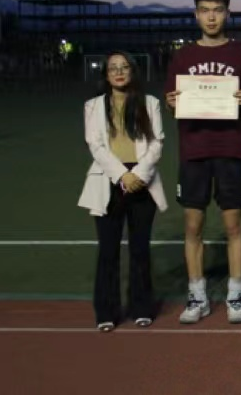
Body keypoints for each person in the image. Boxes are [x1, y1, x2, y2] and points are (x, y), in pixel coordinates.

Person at [164, 0, 241, 324]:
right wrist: (171, 103)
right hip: (195, 147)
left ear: (227, 13)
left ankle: (236, 294)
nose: (212, 16)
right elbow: (172, 102)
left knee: (234, 224)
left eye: (217, 10)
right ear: (196, 15)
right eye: (205, 10)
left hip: (231, 146)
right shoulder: (182, 56)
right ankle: (197, 296)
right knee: (193, 225)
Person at [79, 52, 167, 331]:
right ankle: (106, 312)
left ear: (132, 71)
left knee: (140, 249)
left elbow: (157, 142)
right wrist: (121, 175)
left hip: (142, 180)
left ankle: (142, 307)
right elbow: (95, 145)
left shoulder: (149, 103)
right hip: (108, 180)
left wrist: (137, 174)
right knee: (108, 250)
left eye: (124, 67)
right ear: (106, 75)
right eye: (113, 68)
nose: (118, 72)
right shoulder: (93, 106)